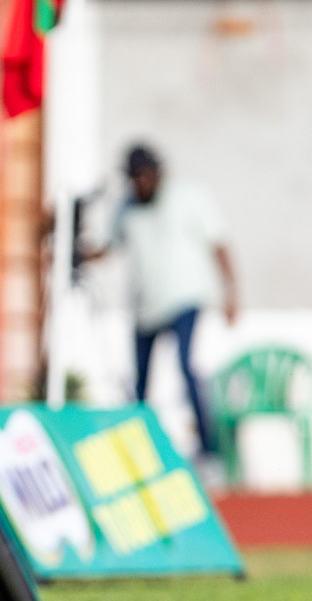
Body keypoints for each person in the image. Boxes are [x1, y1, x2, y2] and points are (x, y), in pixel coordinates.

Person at [88, 144, 238, 456]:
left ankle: (208, 449)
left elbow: (219, 245)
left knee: (185, 365)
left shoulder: (190, 198)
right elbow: (109, 247)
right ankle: (138, 448)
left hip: (185, 297)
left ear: (159, 173)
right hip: (146, 307)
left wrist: (231, 293)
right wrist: (71, 248)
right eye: (134, 178)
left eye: (145, 175)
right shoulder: (126, 207)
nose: (140, 183)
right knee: (141, 380)